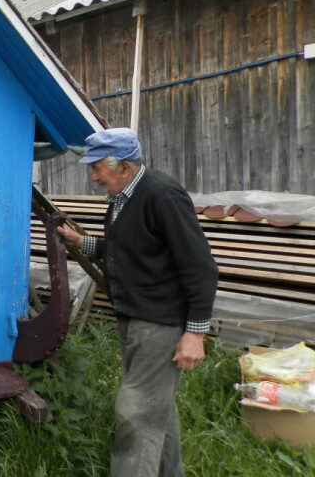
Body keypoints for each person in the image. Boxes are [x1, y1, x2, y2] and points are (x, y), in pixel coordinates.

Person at [55, 128, 218, 477]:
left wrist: (195, 333)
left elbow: (200, 265)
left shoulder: (162, 195)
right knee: (154, 408)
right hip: (133, 319)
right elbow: (126, 252)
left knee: (135, 412)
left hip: (159, 322)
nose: (93, 176)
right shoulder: (121, 200)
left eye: (98, 167)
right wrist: (79, 241)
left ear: (123, 165)